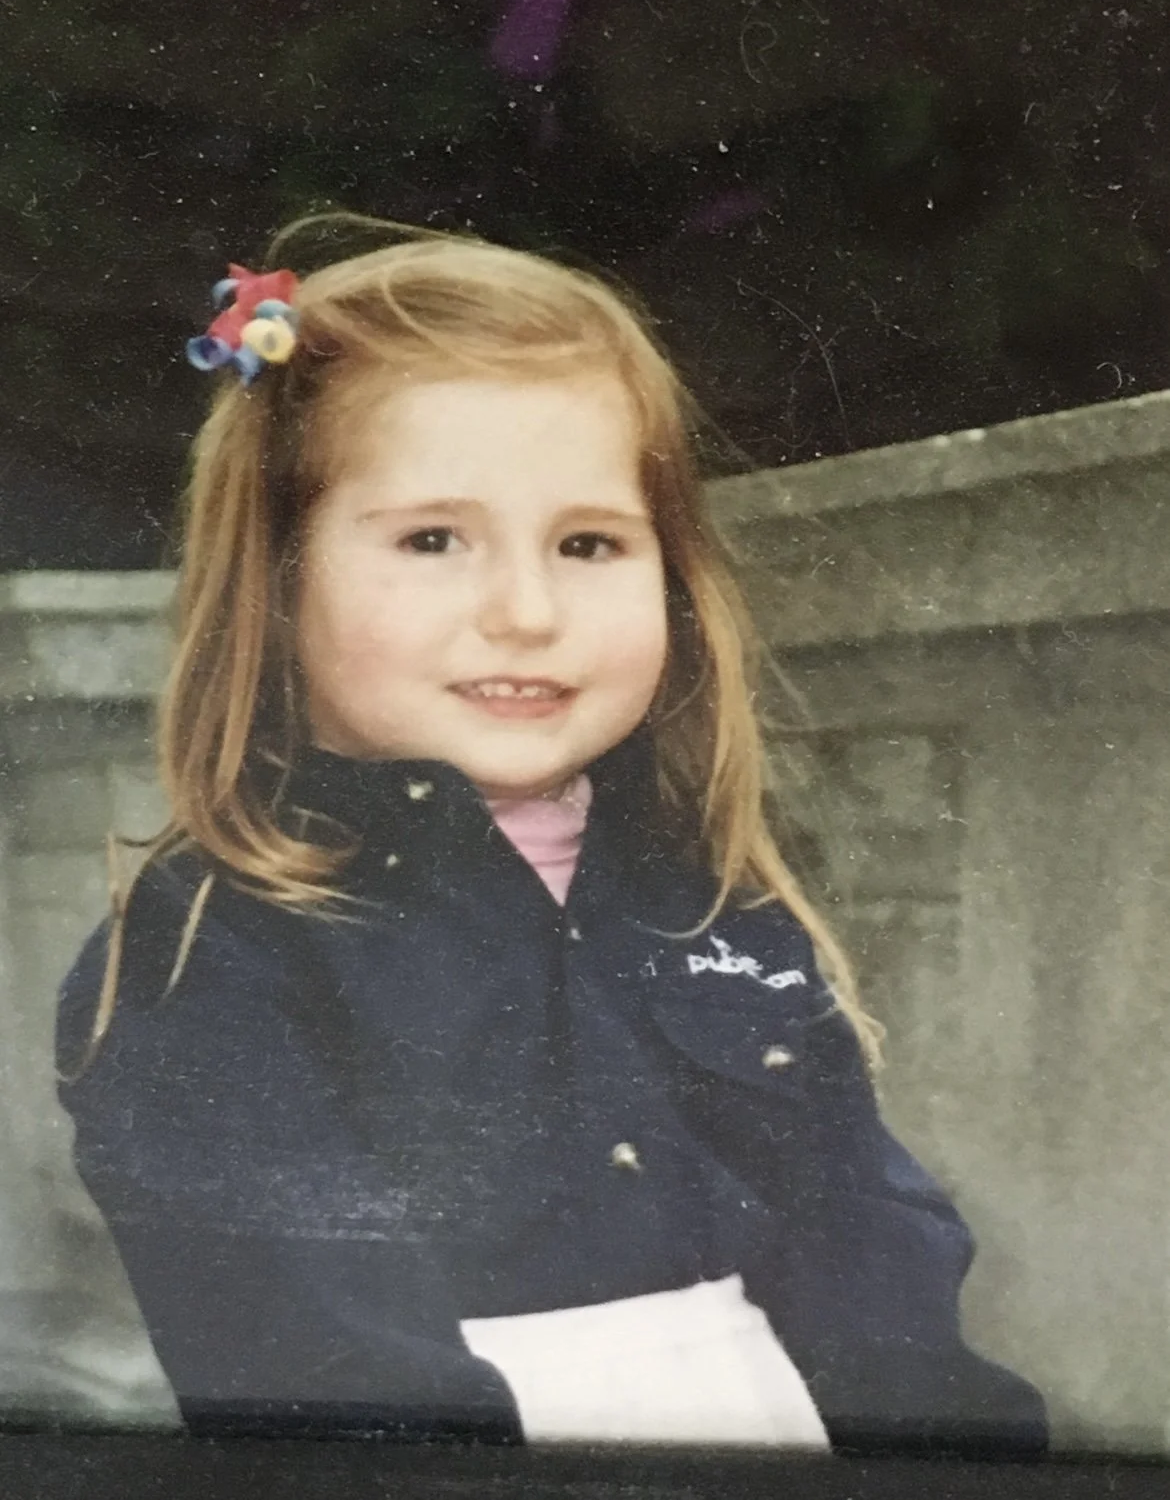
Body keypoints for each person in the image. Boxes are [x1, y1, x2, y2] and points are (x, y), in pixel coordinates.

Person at [55, 218, 1046, 1454]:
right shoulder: (211, 955)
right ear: (277, 581)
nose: (526, 611)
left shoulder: (714, 904)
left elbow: (883, 1278)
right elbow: (319, 1373)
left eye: (588, 544)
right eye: (433, 539)